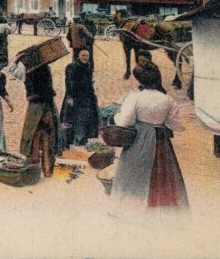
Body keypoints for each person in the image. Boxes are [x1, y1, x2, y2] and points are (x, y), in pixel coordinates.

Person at [110, 63, 189, 211]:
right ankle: (160, 210)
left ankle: (131, 209)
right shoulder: (167, 99)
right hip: (161, 141)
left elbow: (125, 121)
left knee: (134, 172)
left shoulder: (135, 98)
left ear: (140, 81)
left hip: (139, 140)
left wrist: (115, 115)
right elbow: (176, 125)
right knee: (163, 174)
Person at [10, 59, 59, 177]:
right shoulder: (46, 68)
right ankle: (47, 170)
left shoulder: (26, 70)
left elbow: (12, 69)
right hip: (48, 106)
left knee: (33, 137)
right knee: (48, 138)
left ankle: (32, 170)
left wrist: (17, 59)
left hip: (35, 107)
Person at [60, 49, 99, 148]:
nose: (85, 58)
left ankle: (82, 140)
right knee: (70, 120)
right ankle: (69, 142)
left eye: (87, 56)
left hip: (86, 97)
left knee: (87, 119)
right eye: (83, 55)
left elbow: (89, 83)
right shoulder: (71, 67)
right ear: (78, 56)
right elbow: (69, 83)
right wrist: (70, 98)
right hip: (74, 97)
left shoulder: (88, 67)